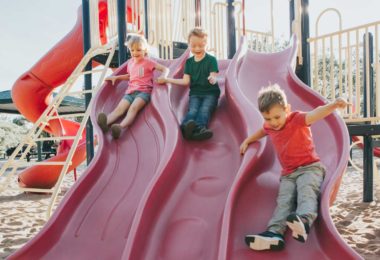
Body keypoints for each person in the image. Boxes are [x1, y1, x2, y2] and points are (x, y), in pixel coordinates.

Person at [240, 84, 348, 251]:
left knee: (307, 191)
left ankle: (304, 221)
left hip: (310, 167)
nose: (273, 123)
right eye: (268, 119)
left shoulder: (296, 119)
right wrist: (248, 140)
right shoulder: (269, 126)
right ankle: (274, 233)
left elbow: (316, 113)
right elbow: (262, 131)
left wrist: (333, 105)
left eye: (277, 117)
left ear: (287, 109)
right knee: (283, 201)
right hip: (288, 174)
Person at [97, 34, 169, 139]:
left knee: (133, 108)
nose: (135, 53)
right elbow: (130, 76)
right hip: (130, 92)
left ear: (145, 50)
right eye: (132, 50)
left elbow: (165, 69)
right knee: (119, 109)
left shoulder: (148, 62)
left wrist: (164, 76)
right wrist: (117, 78)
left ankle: (119, 127)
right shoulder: (130, 63)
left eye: (139, 50)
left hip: (143, 92)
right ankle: (105, 124)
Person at [161, 28, 220, 141]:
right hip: (195, 93)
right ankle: (185, 127)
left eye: (201, 45)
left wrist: (212, 78)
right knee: (192, 110)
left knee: (204, 109)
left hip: (210, 93)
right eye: (193, 46)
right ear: (189, 45)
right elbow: (185, 81)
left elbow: (214, 76)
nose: (197, 48)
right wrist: (168, 80)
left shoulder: (211, 60)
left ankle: (199, 129)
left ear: (206, 44)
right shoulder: (189, 63)